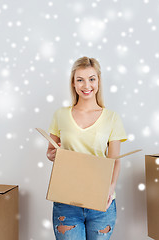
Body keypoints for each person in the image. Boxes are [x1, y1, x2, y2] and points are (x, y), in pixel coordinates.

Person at [46, 56, 127, 240]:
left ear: (98, 81)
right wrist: (52, 155)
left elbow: (115, 160)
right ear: (73, 84)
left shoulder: (112, 118)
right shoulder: (60, 115)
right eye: (80, 80)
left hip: (101, 202)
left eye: (91, 79)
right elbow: (51, 152)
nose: (86, 85)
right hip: (66, 200)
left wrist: (111, 187)